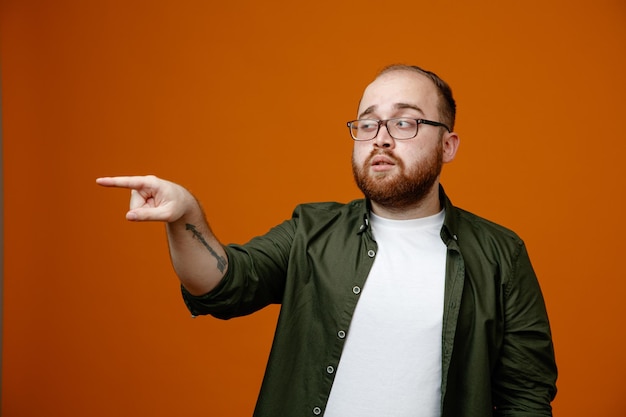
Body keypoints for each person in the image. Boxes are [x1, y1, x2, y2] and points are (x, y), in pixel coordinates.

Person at [96, 64, 557, 417]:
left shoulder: (501, 253)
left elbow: (526, 395)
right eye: (368, 123)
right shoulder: (310, 231)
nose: (380, 138)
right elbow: (222, 286)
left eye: (405, 123)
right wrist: (186, 217)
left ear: (448, 145)